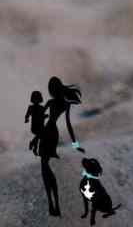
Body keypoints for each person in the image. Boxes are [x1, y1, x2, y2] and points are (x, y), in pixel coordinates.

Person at [38, 77, 83, 217]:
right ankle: (54, 204)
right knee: (45, 167)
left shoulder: (55, 102)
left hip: (47, 132)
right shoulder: (64, 103)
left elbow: (42, 116)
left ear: (53, 89)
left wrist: (76, 145)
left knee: (44, 167)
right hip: (51, 132)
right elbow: (68, 124)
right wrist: (76, 145)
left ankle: (53, 204)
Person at [25, 90, 46, 155]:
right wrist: (26, 119)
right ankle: (33, 144)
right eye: (35, 98)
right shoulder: (31, 107)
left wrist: (45, 116)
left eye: (37, 98)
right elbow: (27, 114)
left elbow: (42, 116)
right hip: (35, 126)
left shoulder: (42, 108)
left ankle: (35, 148)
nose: (36, 100)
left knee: (39, 137)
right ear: (33, 99)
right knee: (39, 135)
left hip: (41, 125)